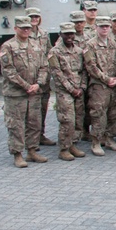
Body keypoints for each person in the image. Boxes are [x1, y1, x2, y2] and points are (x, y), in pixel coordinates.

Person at [0, 15, 49, 167]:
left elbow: (44, 66)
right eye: (23, 28)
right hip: (16, 94)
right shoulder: (7, 47)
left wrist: (38, 84)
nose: (26, 30)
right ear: (16, 29)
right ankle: (17, 154)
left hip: (34, 92)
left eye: (28, 28)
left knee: (34, 122)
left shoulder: (36, 45)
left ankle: (32, 150)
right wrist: (27, 86)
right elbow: (8, 71)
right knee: (16, 125)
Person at [84, 16, 116, 156]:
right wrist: (106, 79)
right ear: (96, 28)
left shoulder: (113, 43)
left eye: (107, 26)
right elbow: (91, 66)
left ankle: (110, 138)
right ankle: (96, 141)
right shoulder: (90, 45)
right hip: (99, 85)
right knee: (99, 113)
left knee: (114, 112)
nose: (105, 28)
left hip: (114, 84)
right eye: (102, 26)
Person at [47, 22, 87, 161]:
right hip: (65, 92)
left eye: (71, 33)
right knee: (67, 120)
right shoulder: (55, 52)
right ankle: (64, 148)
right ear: (60, 35)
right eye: (66, 34)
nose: (69, 36)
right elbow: (57, 74)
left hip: (79, 91)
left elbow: (84, 72)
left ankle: (73, 144)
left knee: (78, 119)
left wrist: (81, 88)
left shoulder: (79, 51)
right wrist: (72, 89)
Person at [25, 7, 55, 147]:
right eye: (31, 17)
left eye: (36, 17)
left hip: (44, 76)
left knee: (43, 107)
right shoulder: (24, 34)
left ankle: (41, 135)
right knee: (31, 111)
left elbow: (49, 52)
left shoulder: (44, 34)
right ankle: (30, 139)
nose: (34, 19)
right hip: (30, 77)